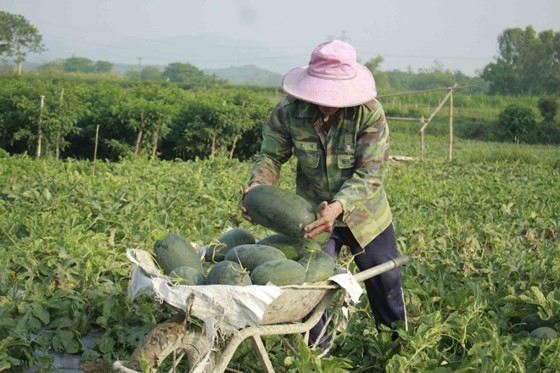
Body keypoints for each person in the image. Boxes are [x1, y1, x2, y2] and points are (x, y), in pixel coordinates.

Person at [239, 40, 407, 346]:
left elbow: (371, 173)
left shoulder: (368, 114)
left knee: (385, 283)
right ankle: (316, 354)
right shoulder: (289, 111)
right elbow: (270, 156)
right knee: (310, 288)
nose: (328, 101)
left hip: (365, 217)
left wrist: (339, 206)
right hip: (311, 216)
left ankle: (397, 350)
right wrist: (258, 186)